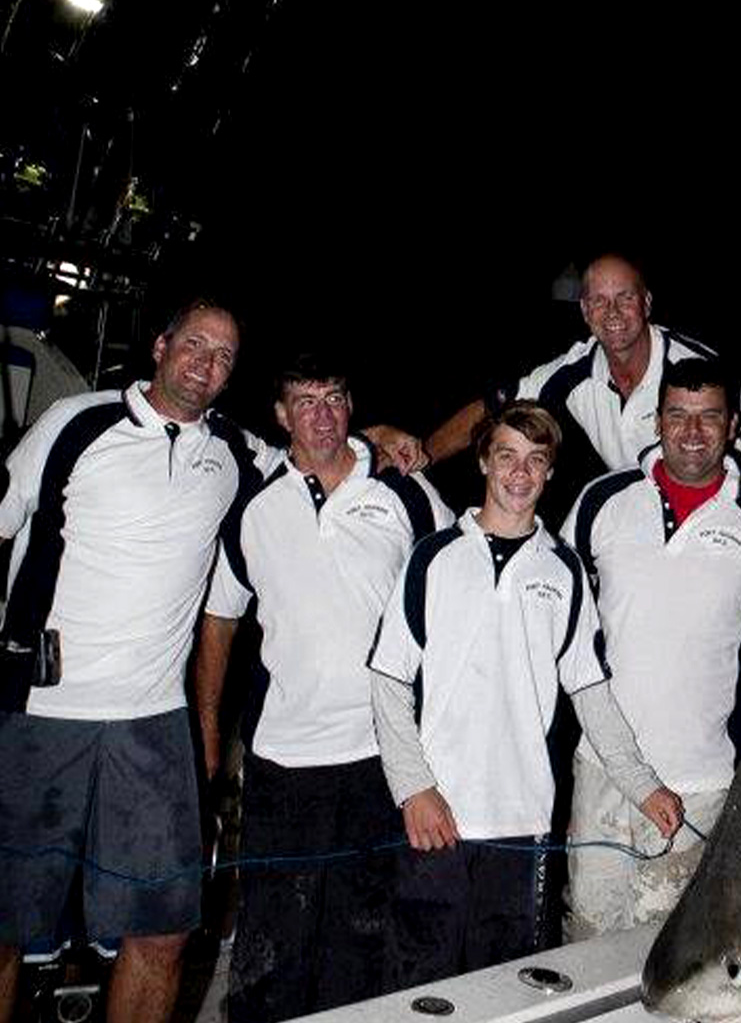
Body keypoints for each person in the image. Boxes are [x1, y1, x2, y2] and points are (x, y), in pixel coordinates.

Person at [0, 299, 419, 1023]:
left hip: (152, 726)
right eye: (195, 345)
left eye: (224, 356)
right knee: (6, 925)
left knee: (165, 931)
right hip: (43, 713)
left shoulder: (236, 453)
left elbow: (318, 454)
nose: (206, 364)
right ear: (160, 346)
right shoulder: (75, 423)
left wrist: (378, 437)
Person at [368, 401, 683, 981]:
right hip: (437, 817)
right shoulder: (432, 558)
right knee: (418, 987)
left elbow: (590, 692)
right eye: (507, 456)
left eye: (535, 460)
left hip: (522, 824)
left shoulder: (564, 571)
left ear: (550, 473)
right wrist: (414, 788)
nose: (520, 473)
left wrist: (642, 784)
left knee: (503, 989)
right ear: (484, 461)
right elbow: (387, 680)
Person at [195, 354, 453, 1022]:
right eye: (304, 401)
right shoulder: (251, 502)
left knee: (362, 936)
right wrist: (208, 735)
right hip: (284, 759)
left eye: (334, 397)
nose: (322, 414)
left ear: (351, 405)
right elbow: (220, 621)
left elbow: (459, 591)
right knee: (272, 936)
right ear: (280, 415)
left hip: (381, 757)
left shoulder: (403, 492)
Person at [560, 357, 741, 938]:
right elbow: (554, 615)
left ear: (731, 426)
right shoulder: (602, 501)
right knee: (585, 937)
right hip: (600, 767)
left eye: (708, 417)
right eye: (677, 415)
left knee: (665, 947)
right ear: (656, 421)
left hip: (700, 782)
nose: (692, 431)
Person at [422, 254, 741, 506]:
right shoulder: (575, 370)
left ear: (646, 303)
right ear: (585, 311)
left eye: (625, 297)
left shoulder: (695, 368)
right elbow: (492, 405)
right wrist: (422, 456)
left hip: (721, 509)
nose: (612, 312)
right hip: (645, 520)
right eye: (599, 301)